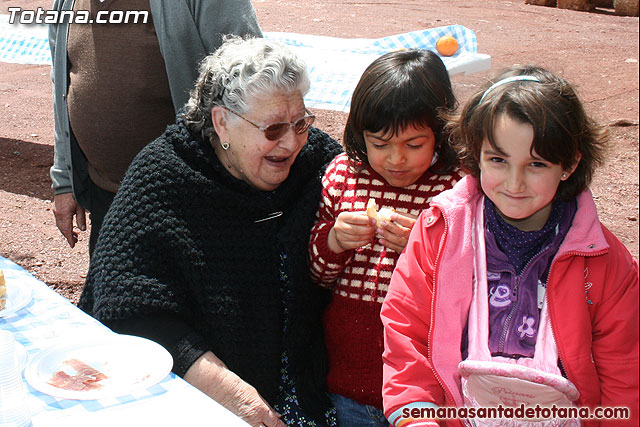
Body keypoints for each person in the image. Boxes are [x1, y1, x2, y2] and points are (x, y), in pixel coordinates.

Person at [78, 37, 343, 427]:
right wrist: (233, 397)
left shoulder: (315, 158)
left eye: (300, 123)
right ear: (222, 123)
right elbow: (130, 312)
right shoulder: (162, 177)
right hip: (187, 398)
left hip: (307, 390)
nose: (291, 141)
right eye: (273, 130)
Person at [381, 65, 639, 427]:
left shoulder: (605, 261)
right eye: (498, 160)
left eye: (536, 164)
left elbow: (625, 372)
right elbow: (406, 330)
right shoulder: (438, 233)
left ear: (570, 164)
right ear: (476, 153)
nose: (514, 183)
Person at [308, 49, 465, 426]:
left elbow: (471, 278)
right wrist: (334, 241)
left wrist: (427, 245)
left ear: (441, 134)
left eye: (414, 145)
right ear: (360, 134)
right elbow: (317, 275)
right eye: (380, 144)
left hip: (426, 384)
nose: (396, 159)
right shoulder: (344, 175)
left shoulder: (455, 186)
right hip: (348, 374)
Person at [49, 0, 262, 256]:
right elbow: (61, 86)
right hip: (106, 197)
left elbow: (254, 80)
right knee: (113, 290)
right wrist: (64, 183)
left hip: (187, 203)